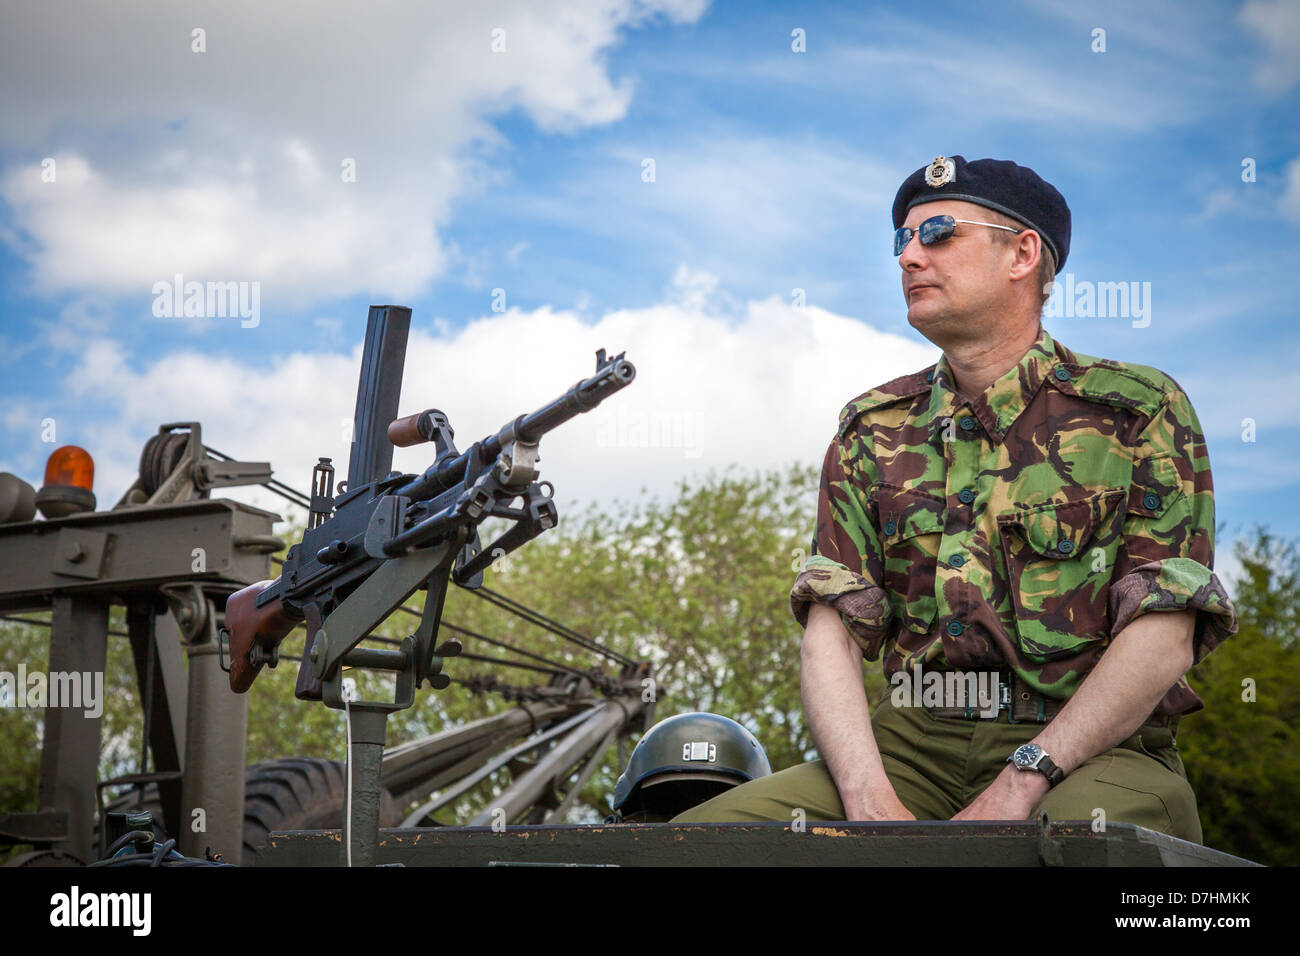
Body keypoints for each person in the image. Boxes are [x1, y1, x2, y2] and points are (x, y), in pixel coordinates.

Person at [670, 155, 1238, 843]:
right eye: (901, 240)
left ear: (1022, 254)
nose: (910, 256)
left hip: (1093, 747)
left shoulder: (1136, 411)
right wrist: (866, 794)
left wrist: (1025, 779)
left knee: (1072, 846)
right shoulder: (873, 428)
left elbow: (1166, 631)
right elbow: (832, 629)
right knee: (696, 845)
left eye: (938, 231)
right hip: (912, 744)